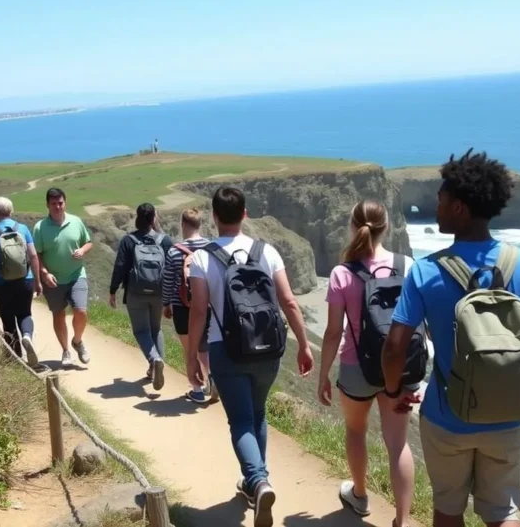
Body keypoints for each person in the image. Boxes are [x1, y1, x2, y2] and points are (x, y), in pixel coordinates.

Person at [382, 150, 520, 527]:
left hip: (446, 416)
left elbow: (394, 346)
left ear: (459, 207)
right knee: (503, 511)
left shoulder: (425, 272)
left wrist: (393, 392)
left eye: (440, 201)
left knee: (448, 511)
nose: (434, 208)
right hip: (508, 414)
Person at [186, 186, 314, 527]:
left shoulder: (202, 258)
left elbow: (198, 311)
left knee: (241, 420)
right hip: (268, 351)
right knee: (257, 415)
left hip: (225, 350)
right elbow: (288, 301)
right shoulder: (266, 251)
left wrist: (189, 357)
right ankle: (258, 481)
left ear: (214, 217)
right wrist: (303, 343)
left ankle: (258, 482)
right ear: (245, 214)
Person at [317, 200, 417, 525]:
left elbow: (333, 333)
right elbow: (420, 324)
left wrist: (323, 376)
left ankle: (359, 496)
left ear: (352, 226)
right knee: (398, 445)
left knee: (356, 431)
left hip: (356, 367)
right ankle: (401, 521)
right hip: (399, 367)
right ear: (387, 226)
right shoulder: (409, 266)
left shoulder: (342, 273)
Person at [109, 203, 173, 389]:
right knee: (156, 329)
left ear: (137, 218)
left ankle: (154, 360)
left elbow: (120, 266)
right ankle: (157, 365)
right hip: (159, 293)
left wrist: (113, 290)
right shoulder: (164, 240)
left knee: (141, 331)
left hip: (136, 293)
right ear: (154, 218)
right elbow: (171, 269)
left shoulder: (129, 241)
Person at [0, 197, 43, 366]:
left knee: (7, 319)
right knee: (25, 313)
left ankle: (15, 359)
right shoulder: (23, 229)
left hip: (0, 283)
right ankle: (27, 336)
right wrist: (37, 280)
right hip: (24, 279)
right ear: (11, 211)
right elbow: (33, 256)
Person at [33, 188, 92, 368]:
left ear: (65, 203)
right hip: (53, 279)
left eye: (60, 203)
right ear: (47, 205)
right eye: (53, 204)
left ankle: (77, 341)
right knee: (58, 314)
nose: (57, 207)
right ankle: (66, 350)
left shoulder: (76, 222)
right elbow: (37, 255)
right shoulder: (40, 228)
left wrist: (82, 250)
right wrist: (44, 273)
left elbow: (88, 242)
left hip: (76, 275)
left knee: (81, 311)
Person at [161, 207, 214, 403]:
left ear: (182, 224)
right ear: (200, 224)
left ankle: (197, 390)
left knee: (188, 349)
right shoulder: (211, 248)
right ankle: (212, 379)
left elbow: (168, 281)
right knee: (204, 348)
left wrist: (166, 304)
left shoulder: (175, 251)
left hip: (182, 307)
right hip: (207, 306)